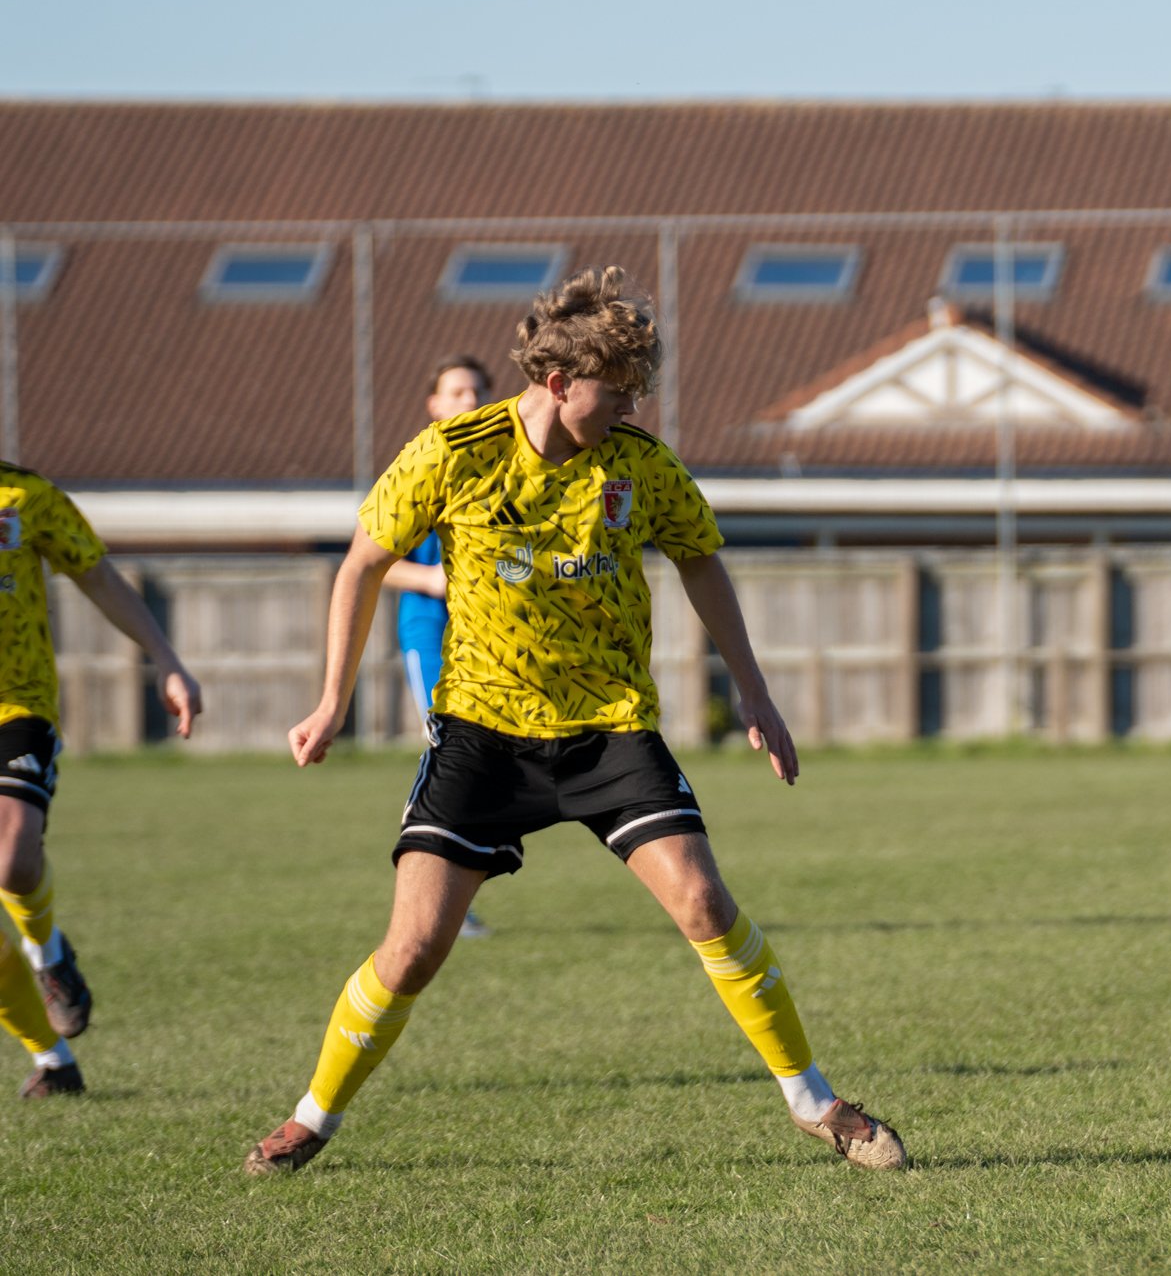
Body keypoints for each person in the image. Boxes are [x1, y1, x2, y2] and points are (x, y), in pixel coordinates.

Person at [243, 267, 906, 1174]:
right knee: (414, 947)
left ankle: (815, 1101)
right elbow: (361, 564)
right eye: (619, 389)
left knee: (705, 901)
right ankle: (312, 1116)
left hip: (609, 729)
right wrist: (333, 698)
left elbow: (700, 557)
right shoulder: (453, 452)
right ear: (558, 382)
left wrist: (753, 689)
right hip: (482, 732)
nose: (633, 405)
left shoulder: (638, 463)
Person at [0, 463, 202, 1097]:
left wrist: (166, 660)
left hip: (17, 705)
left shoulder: (25, 496)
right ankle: (53, 1061)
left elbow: (97, 575)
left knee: (12, 860)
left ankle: (48, 951)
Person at [381, 355, 495, 939]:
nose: (468, 401)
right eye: (456, 392)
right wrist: (430, 579)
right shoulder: (418, 467)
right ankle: (434, 898)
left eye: (476, 391)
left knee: (490, 761)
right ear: (433, 404)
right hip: (431, 632)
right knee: (450, 752)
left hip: (493, 634)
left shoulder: (502, 468)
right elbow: (371, 562)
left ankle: (453, 891)